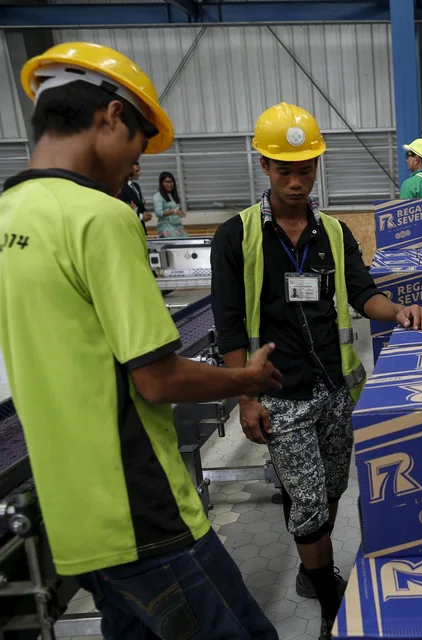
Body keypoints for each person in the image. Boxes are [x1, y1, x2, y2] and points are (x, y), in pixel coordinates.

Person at [0, 42, 282, 638]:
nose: (135, 167)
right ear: (110, 117)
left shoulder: (8, 214)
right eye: (138, 145)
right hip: (140, 510)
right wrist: (247, 379)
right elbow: (157, 379)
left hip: (73, 518)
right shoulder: (99, 217)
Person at [210, 102, 422, 640]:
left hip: (334, 390)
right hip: (279, 393)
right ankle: (331, 606)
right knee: (309, 502)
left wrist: (399, 310)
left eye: (306, 170)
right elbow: (230, 324)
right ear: (264, 165)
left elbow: (363, 294)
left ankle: (313, 569)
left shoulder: (333, 233)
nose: (296, 182)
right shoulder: (236, 236)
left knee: (331, 490)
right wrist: (245, 397)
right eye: (285, 170)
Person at [117, 160, 150, 233]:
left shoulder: (136, 186)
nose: (139, 173)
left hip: (140, 227)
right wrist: (141, 216)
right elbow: (123, 210)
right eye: (136, 171)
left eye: (139, 171)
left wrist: (146, 213)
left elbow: (139, 204)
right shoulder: (120, 187)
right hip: (129, 229)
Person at [153, 170, 188, 238]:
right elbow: (158, 213)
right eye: (167, 182)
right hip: (166, 227)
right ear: (161, 183)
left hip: (178, 226)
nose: (169, 184)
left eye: (171, 182)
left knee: (185, 240)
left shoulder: (173, 195)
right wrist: (174, 211)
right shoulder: (158, 196)